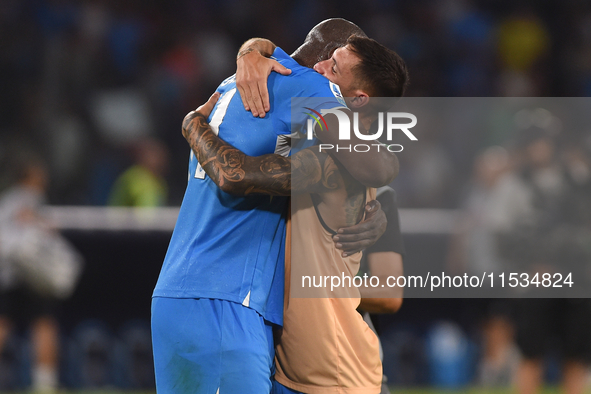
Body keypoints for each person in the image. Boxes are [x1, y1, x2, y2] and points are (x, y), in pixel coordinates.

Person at [151, 19, 398, 394]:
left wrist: (251, 49)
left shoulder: (236, 81)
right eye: (330, 60)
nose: (324, 71)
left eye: (335, 67)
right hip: (226, 298)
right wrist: (191, 125)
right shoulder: (312, 88)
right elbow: (381, 165)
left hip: (191, 290)